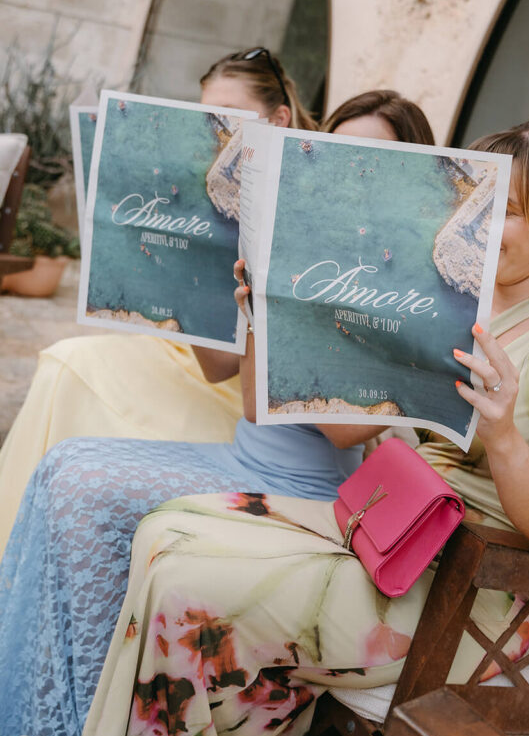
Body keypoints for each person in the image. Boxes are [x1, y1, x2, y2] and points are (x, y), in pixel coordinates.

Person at [76, 114, 529, 736]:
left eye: (506, 210)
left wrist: (499, 434)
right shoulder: (457, 299)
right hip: (385, 528)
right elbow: (340, 428)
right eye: (479, 201)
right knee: (164, 532)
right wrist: (271, 312)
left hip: (467, 589)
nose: (480, 225)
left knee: (188, 587)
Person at [0, 88, 436, 736]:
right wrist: (223, 277)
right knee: (64, 468)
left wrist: (277, 304)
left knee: (89, 497)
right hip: (239, 462)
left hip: (304, 495)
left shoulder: (400, 289)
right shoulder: (302, 248)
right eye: (337, 152)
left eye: (372, 158)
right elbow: (220, 375)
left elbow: (338, 431)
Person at [0, 47, 317, 553]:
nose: (221, 131)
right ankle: (25, 554)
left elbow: (222, 368)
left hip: (235, 387)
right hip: (182, 353)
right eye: (209, 118)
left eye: (234, 116)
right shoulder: (211, 182)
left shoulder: (295, 204)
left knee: (71, 366)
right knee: (64, 362)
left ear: (279, 119)